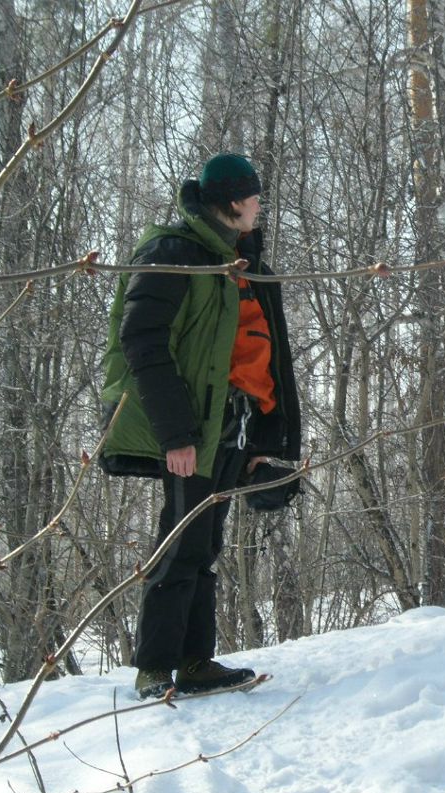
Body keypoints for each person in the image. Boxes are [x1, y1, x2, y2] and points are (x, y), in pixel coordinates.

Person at [98, 153, 301, 698]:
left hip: (234, 425)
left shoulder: (242, 261)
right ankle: (155, 668)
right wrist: (176, 434)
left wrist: (264, 437)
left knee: (205, 542)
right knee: (181, 539)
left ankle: (194, 662)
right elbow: (142, 342)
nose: (260, 206)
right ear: (233, 202)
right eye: (254, 197)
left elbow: (267, 355)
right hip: (191, 427)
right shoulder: (175, 253)